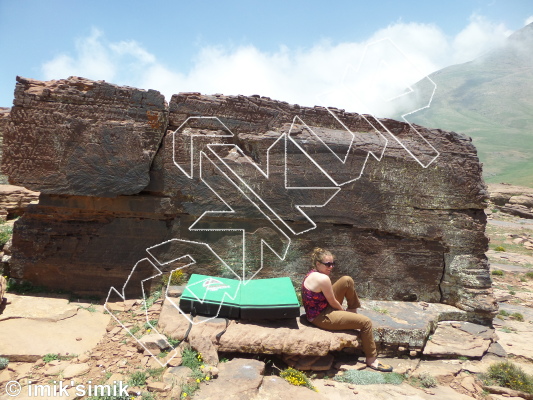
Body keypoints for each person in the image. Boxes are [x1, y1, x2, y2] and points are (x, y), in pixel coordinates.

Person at [301, 247, 392, 372]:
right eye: (327, 264)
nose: (331, 267)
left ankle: (353, 314)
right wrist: (342, 312)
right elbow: (333, 301)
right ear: (318, 264)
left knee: (347, 280)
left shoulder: (312, 273)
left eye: (333, 263)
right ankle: (371, 359)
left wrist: (348, 314)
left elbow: (329, 299)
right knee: (366, 323)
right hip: (320, 317)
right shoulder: (323, 279)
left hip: (322, 307)